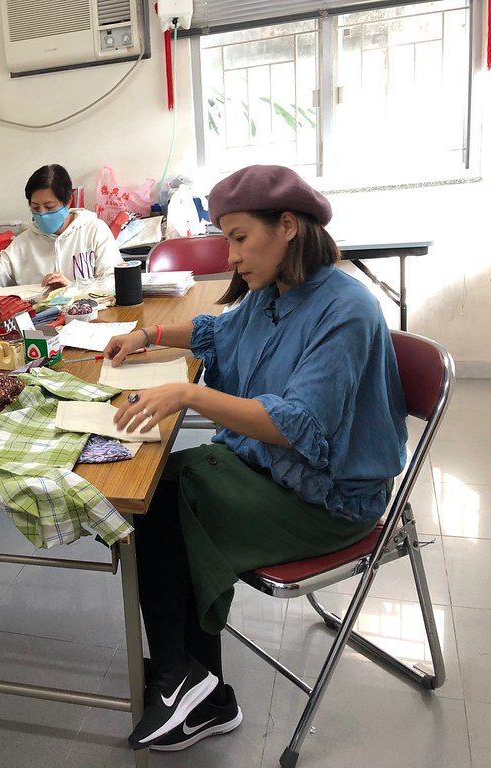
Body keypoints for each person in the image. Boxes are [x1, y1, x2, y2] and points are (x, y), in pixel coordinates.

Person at [104, 165, 407, 752]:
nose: (231, 254)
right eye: (226, 239)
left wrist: (188, 394)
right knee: (159, 486)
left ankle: (184, 678)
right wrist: (146, 338)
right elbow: (217, 331)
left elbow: (296, 427)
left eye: (240, 238)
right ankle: (194, 683)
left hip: (330, 498)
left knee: (168, 498)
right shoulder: (275, 293)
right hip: (273, 472)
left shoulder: (344, 308)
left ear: (287, 226)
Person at [0, 164, 122, 294]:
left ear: (68, 201)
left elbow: (115, 280)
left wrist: (72, 288)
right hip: (40, 321)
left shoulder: (94, 231)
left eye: (50, 207)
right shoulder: (24, 242)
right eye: (35, 208)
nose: (42, 214)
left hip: (89, 317)